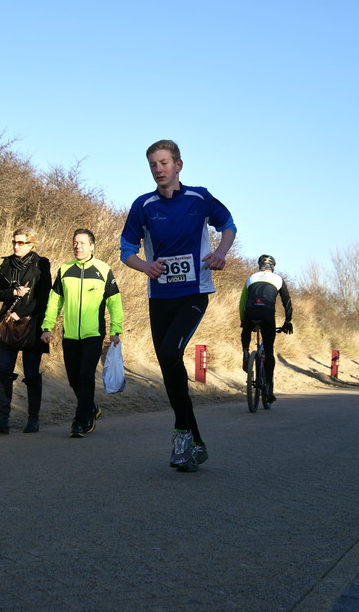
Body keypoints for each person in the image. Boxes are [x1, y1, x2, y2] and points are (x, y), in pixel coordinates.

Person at [120, 139, 236, 472]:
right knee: (170, 366)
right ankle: (193, 440)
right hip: (159, 296)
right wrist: (145, 266)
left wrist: (221, 253)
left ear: (178, 165)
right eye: (153, 165)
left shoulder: (199, 198)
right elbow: (127, 249)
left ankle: (182, 432)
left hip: (194, 291)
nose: (159, 169)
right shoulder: (143, 205)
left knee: (171, 352)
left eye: (164, 163)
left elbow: (228, 225)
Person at [41, 229, 123, 437]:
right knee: (73, 378)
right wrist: (47, 327)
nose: (78, 246)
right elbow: (54, 301)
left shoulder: (103, 270)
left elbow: (114, 302)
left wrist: (115, 330)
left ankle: (80, 421)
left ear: (92, 246)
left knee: (86, 376)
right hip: (69, 334)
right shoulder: (65, 270)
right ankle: (92, 409)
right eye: (75, 243)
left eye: (82, 243)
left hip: (93, 334)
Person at [0, 228, 51, 434]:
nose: (16, 245)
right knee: (4, 371)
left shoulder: (42, 264)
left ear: (32, 244)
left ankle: (33, 419)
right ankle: (2, 420)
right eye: (15, 241)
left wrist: (22, 312)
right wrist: (13, 292)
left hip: (32, 325)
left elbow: (44, 299)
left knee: (32, 373)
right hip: (8, 324)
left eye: (22, 243)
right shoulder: (7, 263)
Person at [239, 255, 293, 402]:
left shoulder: (250, 278)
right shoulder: (278, 279)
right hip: (267, 314)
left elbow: (243, 301)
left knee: (246, 329)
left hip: (251, 311)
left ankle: (245, 352)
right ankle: (268, 387)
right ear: (272, 267)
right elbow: (286, 302)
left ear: (259, 266)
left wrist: (243, 320)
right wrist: (288, 321)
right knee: (268, 350)